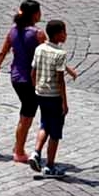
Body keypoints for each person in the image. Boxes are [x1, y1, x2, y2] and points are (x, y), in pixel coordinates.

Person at [0, 0, 46, 163]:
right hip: (30, 80)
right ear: (35, 14)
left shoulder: (13, 31)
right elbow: (46, 55)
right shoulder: (38, 34)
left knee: (26, 112)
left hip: (15, 78)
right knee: (26, 116)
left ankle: (18, 146)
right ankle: (19, 150)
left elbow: (2, 52)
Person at [28, 17, 76, 178]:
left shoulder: (39, 48)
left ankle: (36, 153)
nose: (66, 35)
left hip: (40, 93)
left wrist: (36, 87)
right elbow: (60, 79)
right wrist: (64, 102)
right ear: (57, 35)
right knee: (55, 132)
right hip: (54, 96)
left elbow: (33, 72)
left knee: (45, 125)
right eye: (64, 32)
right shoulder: (60, 54)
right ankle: (49, 166)